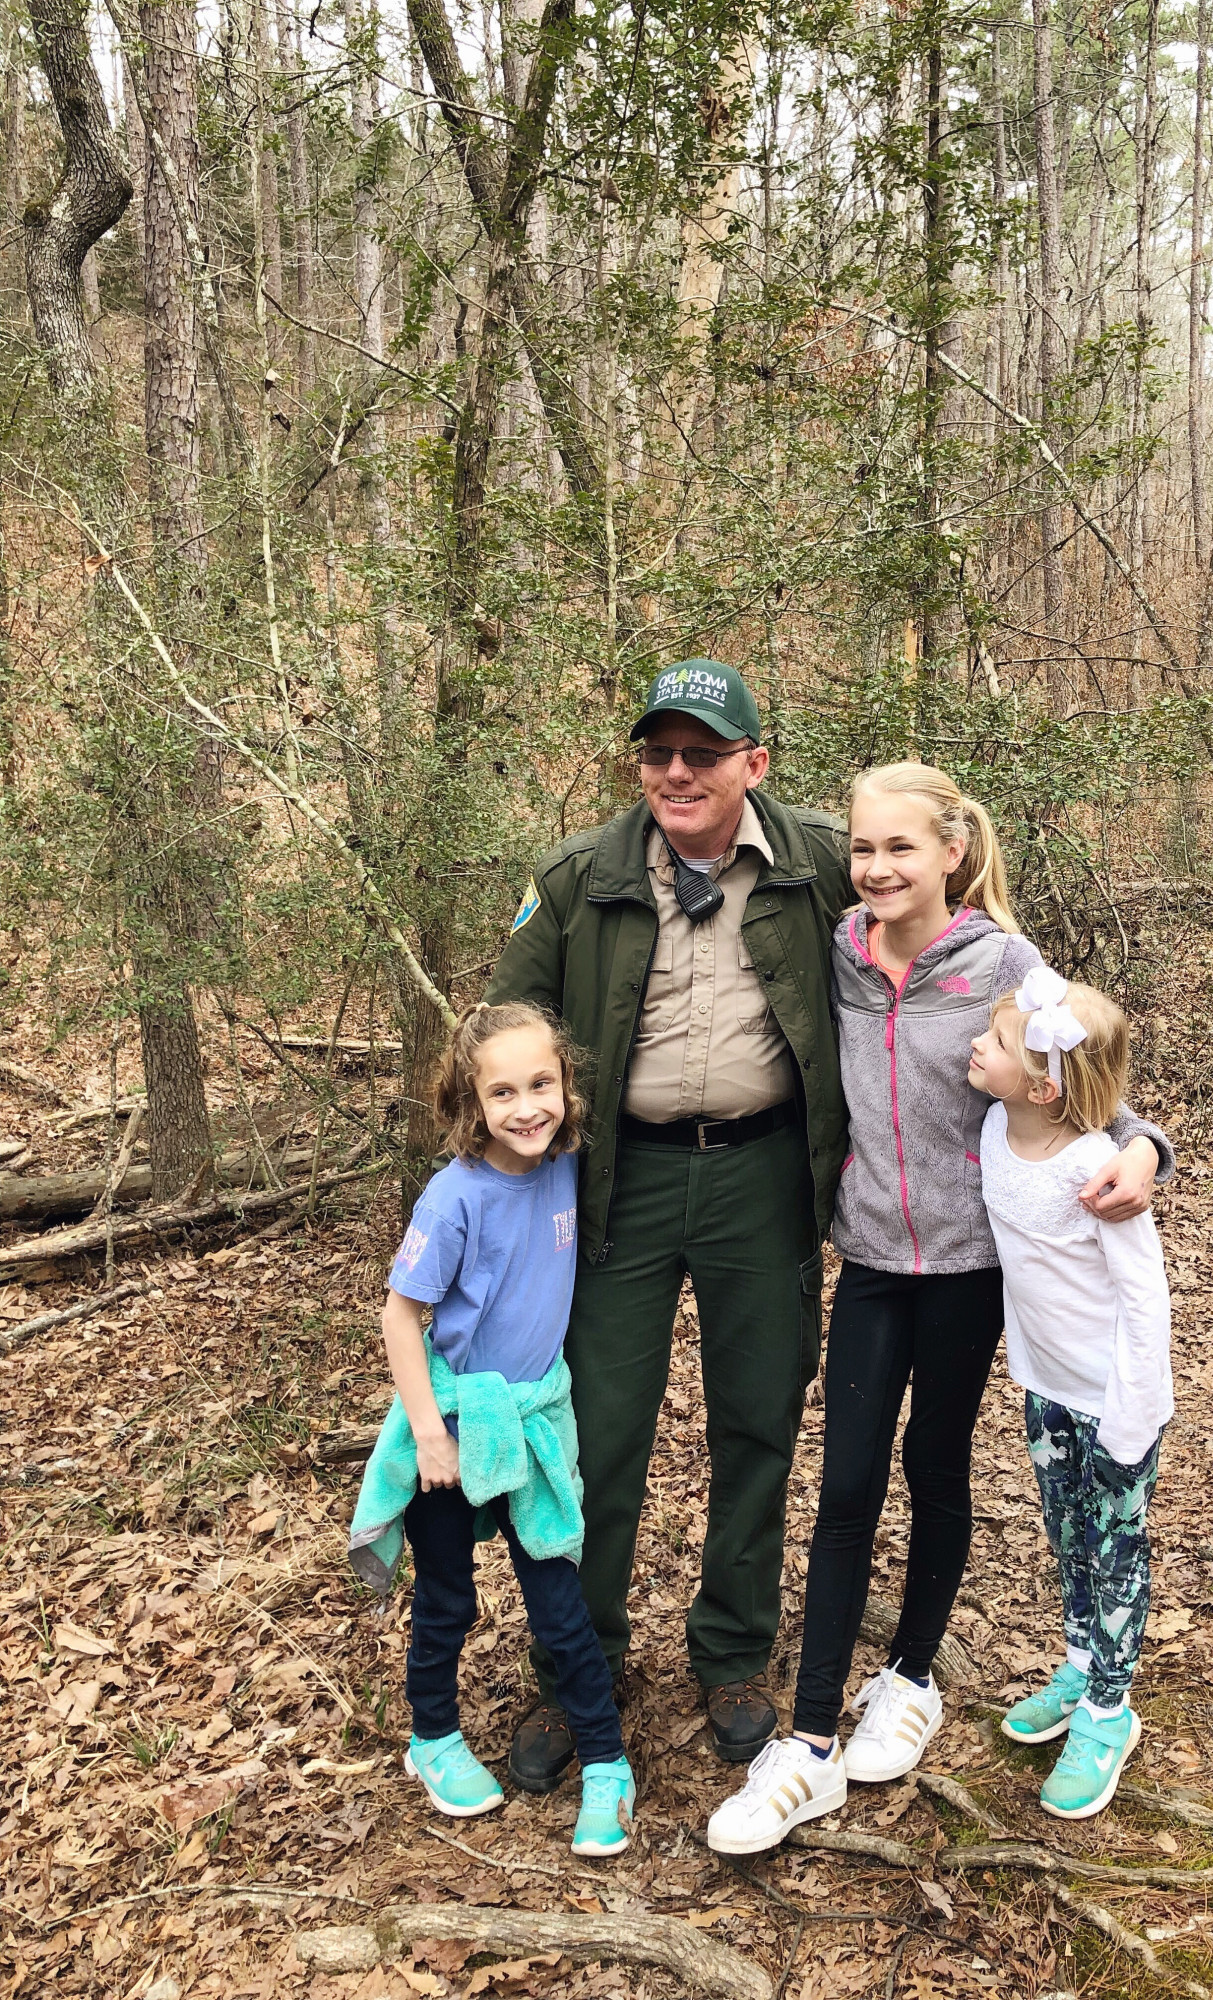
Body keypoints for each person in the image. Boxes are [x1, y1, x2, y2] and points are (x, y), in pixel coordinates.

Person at [705, 762, 1173, 1855]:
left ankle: (912, 1675)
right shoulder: (836, 950)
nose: (875, 868)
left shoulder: (1005, 963)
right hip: (868, 1256)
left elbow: (1087, 1072)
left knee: (937, 1465)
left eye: (900, 849)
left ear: (952, 851)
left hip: (971, 1268)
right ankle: (811, 1739)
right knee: (849, 1478)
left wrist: (1148, 1143)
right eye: (862, 849)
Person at [485, 660, 852, 1788]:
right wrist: (479, 1210)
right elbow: (504, 1033)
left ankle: (735, 1650)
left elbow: (957, 970)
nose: (679, 772)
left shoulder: (827, 864)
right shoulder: (580, 877)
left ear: (757, 759)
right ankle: (574, 1664)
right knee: (593, 1433)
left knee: (759, 1415)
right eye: (659, 753)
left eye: (704, 751)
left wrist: (1114, 1121)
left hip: (762, 1174)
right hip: (618, 1185)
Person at [348, 1002, 634, 1855]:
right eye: (502, 1092)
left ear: (566, 1084)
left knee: (557, 1603)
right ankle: (431, 1737)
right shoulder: (453, 1196)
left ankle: (607, 1763)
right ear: (472, 1101)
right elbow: (402, 1318)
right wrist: (429, 1434)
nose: (526, 1107)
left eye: (541, 1084)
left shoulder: (565, 1163)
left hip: (536, 1426)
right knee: (447, 1598)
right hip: (461, 1424)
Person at [971, 967, 1173, 1819]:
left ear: (1046, 1084)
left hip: (1113, 1400)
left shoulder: (1096, 1169)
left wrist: (1132, 1416)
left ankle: (1109, 1711)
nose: (978, 1045)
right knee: (1065, 1536)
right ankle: (1082, 1660)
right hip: (1045, 1388)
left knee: (1114, 1547)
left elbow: (1143, 1298)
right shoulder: (992, 1127)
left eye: (999, 1041)